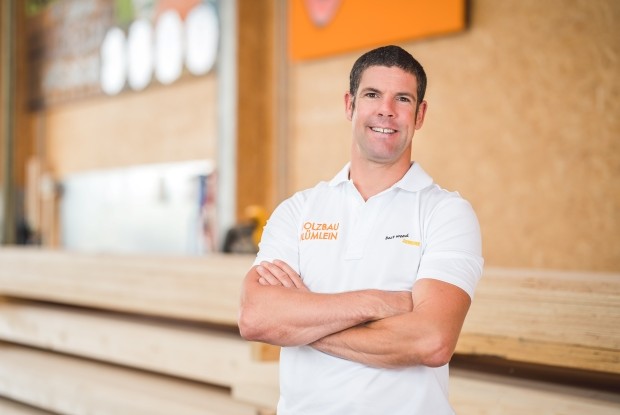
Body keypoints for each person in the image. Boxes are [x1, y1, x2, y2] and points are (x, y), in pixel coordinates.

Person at [238, 45, 483, 415]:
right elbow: (256, 317)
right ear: (349, 105)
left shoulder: (446, 213)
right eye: (372, 95)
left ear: (420, 115)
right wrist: (379, 303)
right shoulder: (298, 211)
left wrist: (300, 323)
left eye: (402, 98)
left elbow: (431, 341)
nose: (386, 109)